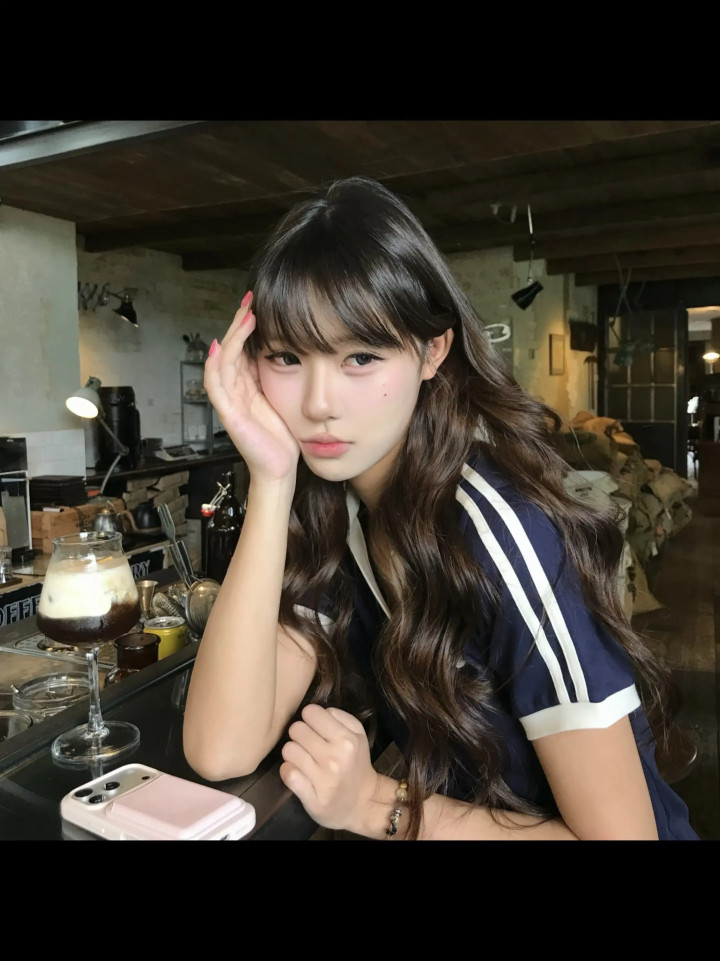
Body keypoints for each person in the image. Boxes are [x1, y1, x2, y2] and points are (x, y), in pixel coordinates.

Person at [183, 176, 699, 840]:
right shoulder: (330, 508)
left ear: (432, 352)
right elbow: (221, 748)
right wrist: (271, 479)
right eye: (286, 357)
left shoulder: (504, 532)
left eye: (360, 357)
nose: (318, 403)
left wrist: (376, 804)